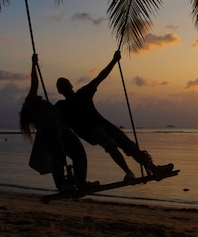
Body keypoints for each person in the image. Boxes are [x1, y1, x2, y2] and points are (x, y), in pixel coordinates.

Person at [55, 51, 174, 180]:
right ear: (59, 91)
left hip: (104, 124)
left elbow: (101, 77)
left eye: (65, 83)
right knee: (110, 143)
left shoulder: (83, 92)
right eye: (61, 85)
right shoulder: (61, 107)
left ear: (71, 85)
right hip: (90, 131)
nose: (65, 86)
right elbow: (50, 117)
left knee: (129, 145)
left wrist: (114, 61)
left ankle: (155, 169)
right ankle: (129, 172)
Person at [20, 54, 94, 192]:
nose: (35, 94)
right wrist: (34, 65)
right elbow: (34, 83)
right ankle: (62, 185)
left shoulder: (46, 105)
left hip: (62, 129)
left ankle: (80, 181)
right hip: (50, 129)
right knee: (58, 156)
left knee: (79, 153)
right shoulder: (30, 103)